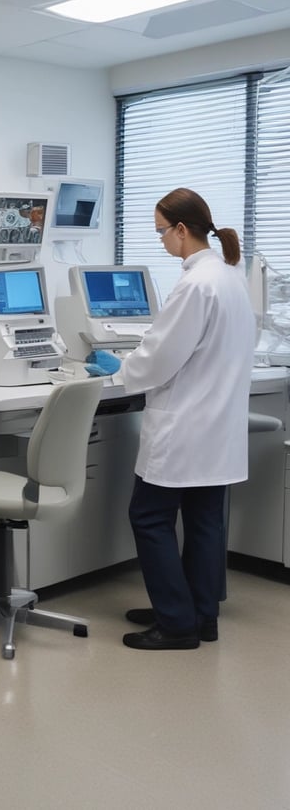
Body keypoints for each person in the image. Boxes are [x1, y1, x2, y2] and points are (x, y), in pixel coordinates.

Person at [118, 188, 255, 650]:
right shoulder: (229, 276)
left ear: (181, 229)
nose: (160, 241)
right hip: (215, 427)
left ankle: (176, 624)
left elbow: (159, 358)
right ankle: (200, 615)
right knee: (203, 522)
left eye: (161, 232)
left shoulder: (196, 284)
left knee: (150, 517)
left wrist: (118, 370)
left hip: (187, 425)